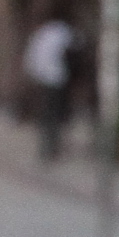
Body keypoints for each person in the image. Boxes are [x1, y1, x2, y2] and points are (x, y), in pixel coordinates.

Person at [24, 9, 76, 163]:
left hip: (44, 78)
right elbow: (75, 47)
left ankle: (47, 148)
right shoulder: (62, 32)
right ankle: (52, 147)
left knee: (47, 114)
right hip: (58, 77)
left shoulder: (43, 33)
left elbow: (32, 57)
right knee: (54, 114)